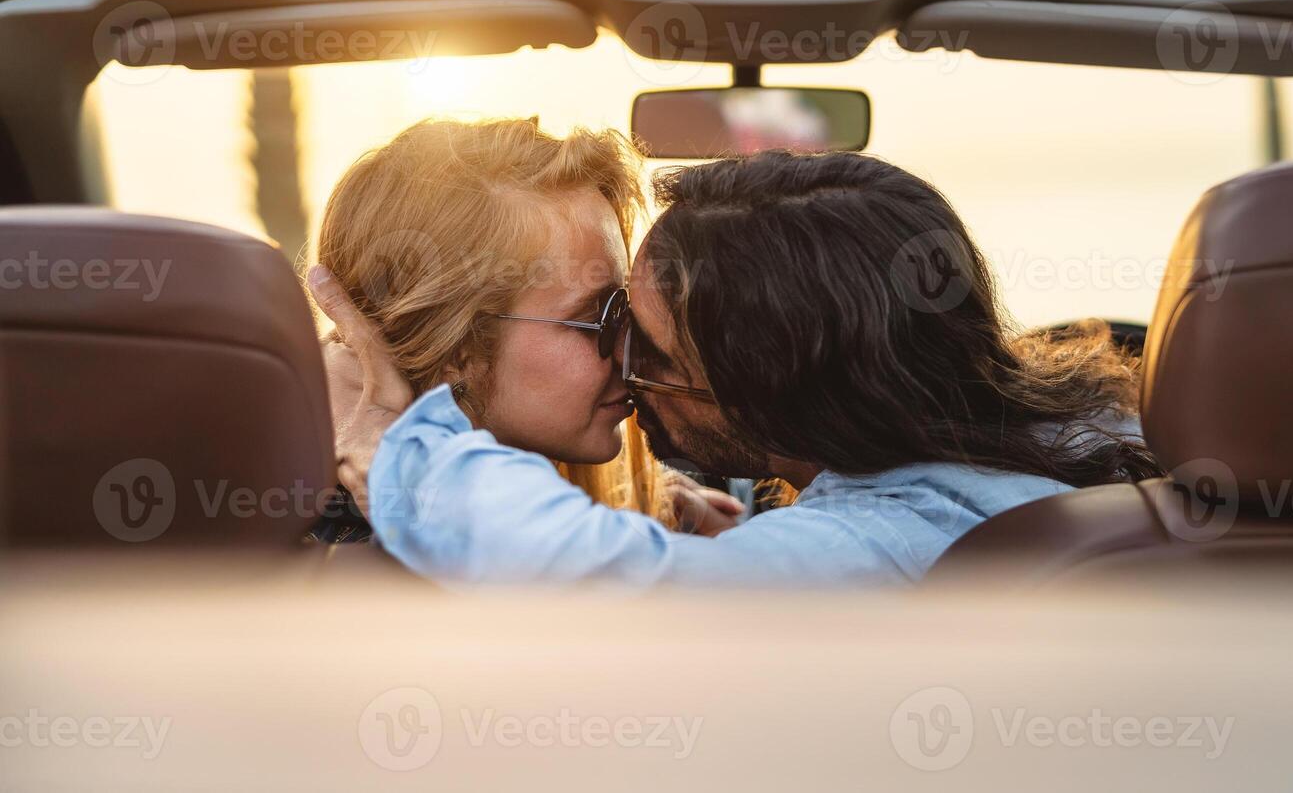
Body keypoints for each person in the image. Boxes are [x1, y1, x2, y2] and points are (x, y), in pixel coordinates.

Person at [313, 149, 1159, 585]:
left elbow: (619, 600)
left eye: (641, 334)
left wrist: (396, 453)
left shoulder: (877, 543)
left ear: (777, 382)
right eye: (596, 322)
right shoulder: (1091, 443)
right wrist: (756, 541)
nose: (629, 366)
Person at [307, 117, 743, 543]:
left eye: (627, 307)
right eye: (598, 317)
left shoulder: (568, 523)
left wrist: (639, 508)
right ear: (455, 349)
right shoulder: (376, 564)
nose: (633, 346)